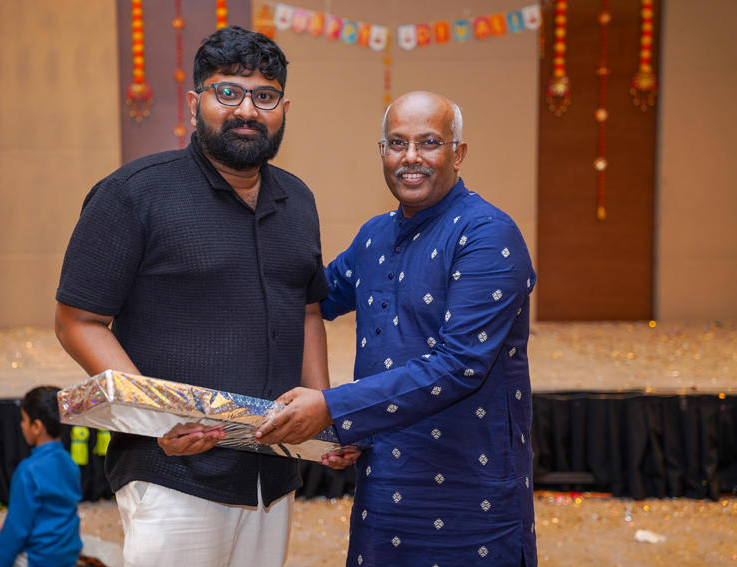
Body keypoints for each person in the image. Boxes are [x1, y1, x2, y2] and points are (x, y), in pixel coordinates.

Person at [54, 26, 350, 567]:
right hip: (172, 470)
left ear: (284, 109)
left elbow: (308, 310)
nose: (247, 110)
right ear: (195, 103)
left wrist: (321, 416)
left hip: (272, 474)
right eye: (227, 92)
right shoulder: (133, 193)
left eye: (264, 96)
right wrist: (157, 419)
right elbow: (78, 320)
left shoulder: (299, 200)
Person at [256, 91, 538, 566]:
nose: (411, 157)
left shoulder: (487, 234)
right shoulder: (374, 236)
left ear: (458, 153)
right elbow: (308, 299)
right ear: (382, 152)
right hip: (384, 481)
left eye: (429, 142)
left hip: (471, 487)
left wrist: (331, 408)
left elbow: (460, 365)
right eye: (397, 143)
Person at [0, 386, 82, 567]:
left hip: (40, 559)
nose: (21, 425)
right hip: (68, 554)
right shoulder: (69, 462)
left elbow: (15, 532)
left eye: (24, 420)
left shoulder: (28, 470)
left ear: (36, 427)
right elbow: (55, 511)